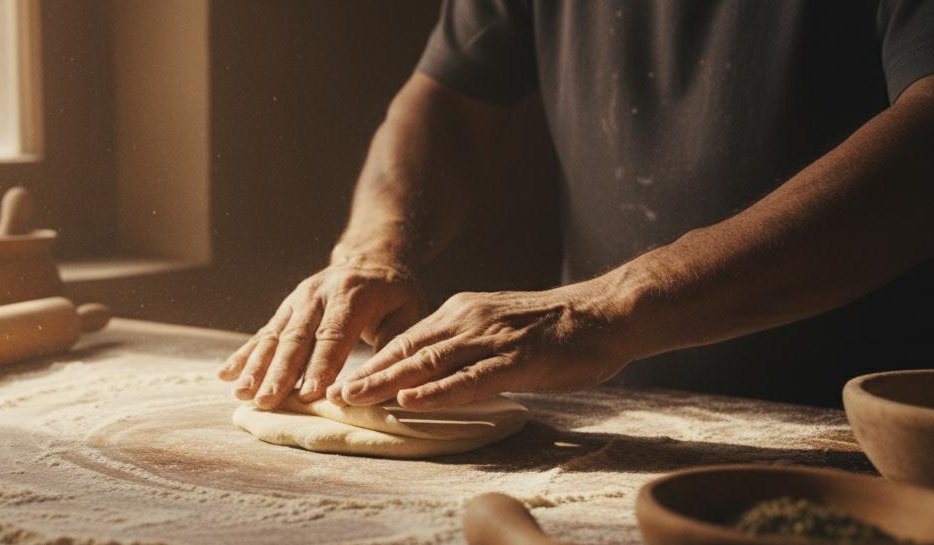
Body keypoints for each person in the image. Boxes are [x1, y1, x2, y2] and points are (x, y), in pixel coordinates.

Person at [218, 0, 934, 410]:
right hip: (610, 404)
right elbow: (448, 100)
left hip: (869, 415)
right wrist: (374, 247)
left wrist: (599, 312)